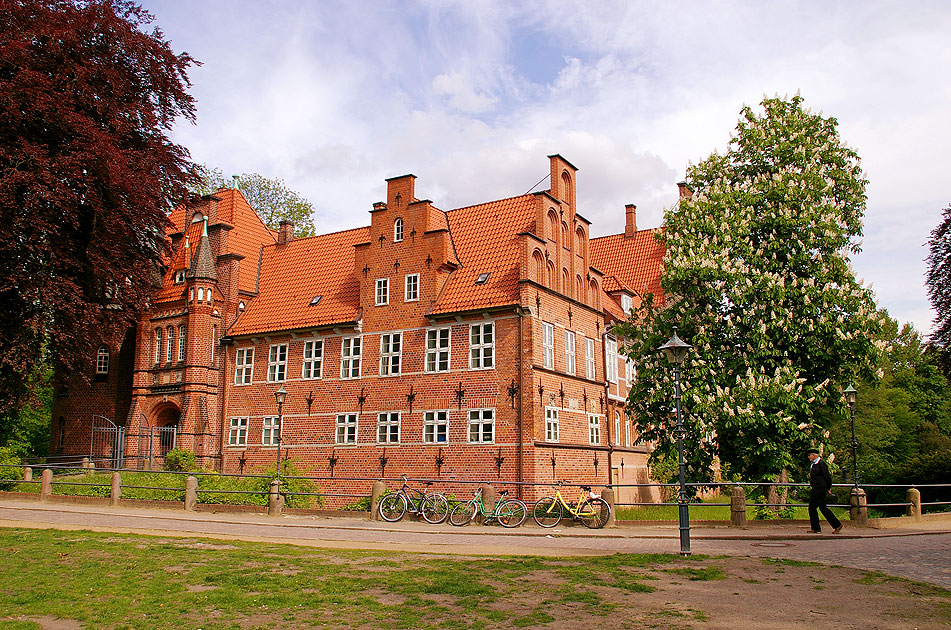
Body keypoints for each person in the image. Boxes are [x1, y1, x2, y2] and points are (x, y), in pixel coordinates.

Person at [807, 448, 842, 534]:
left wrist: (828, 488)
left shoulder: (821, 464)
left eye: (809, 455)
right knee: (812, 508)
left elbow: (827, 477)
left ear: (814, 455)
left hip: (821, 489)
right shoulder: (814, 464)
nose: (808, 457)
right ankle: (815, 528)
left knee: (823, 508)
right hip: (815, 488)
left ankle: (837, 525)